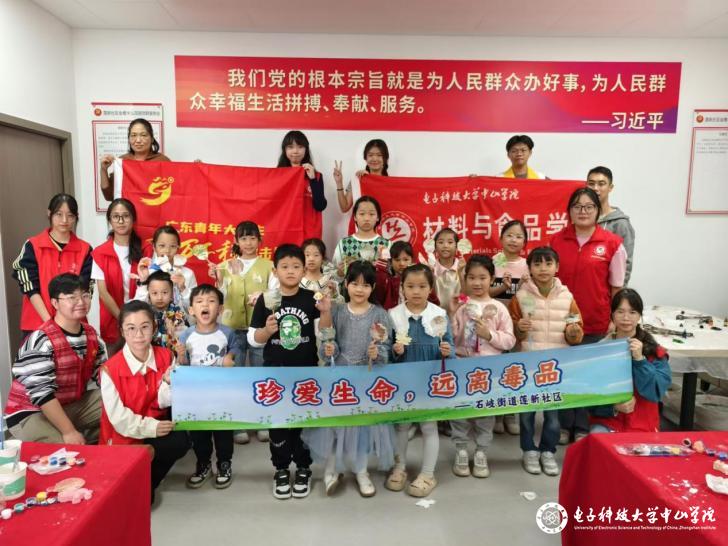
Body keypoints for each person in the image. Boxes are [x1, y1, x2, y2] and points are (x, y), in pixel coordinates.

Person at [247, 244, 332, 499]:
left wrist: (326, 312)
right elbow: (253, 340)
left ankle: (304, 467)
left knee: (304, 422)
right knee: (279, 422)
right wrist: (267, 331)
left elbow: (323, 333)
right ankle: (281, 468)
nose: (291, 271)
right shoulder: (266, 300)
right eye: (284, 267)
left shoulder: (311, 298)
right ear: (275, 271)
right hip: (276, 373)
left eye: (296, 266)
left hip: (306, 372)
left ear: (304, 270)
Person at [303, 261, 395, 497]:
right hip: (340, 380)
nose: (359, 289)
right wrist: (330, 349)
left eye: (365, 285)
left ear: (373, 288)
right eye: (354, 283)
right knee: (335, 426)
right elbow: (327, 340)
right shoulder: (337, 311)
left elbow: (386, 349)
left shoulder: (380, 315)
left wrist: (377, 353)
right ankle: (331, 470)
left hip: (366, 380)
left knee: (362, 428)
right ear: (346, 285)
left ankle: (361, 471)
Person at [549, 187, 627, 444]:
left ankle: (583, 425)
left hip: (595, 320)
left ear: (597, 210)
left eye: (589, 206)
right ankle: (563, 425)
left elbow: (616, 287)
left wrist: (614, 319)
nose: (583, 211)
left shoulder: (612, 243)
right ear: (569, 211)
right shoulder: (556, 241)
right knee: (563, 373)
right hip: (560, 320)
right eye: (577, 206)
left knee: (587, 375)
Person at [99, 300, 189, 503]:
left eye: (145, 327)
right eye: (131, 328)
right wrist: (152, 428)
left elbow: (164, 401)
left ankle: (150, 473)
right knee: (129, 501)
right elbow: (119, 419)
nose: (138, 335)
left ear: (154, 328)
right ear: (122, 331)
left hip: (154, 429)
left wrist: (170, 382)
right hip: (124, 436)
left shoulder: (166, 355)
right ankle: (140, 464)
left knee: (180, 441)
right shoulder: (110, 370)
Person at [508, 247, 584, 476]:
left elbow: (576, 331)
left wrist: (573, 332)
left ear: (557, 267)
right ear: (529, 268)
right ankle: (529, 450)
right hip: (528, 365)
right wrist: (519, 328)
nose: (543, 269)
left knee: (552, 415)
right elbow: (511, 332)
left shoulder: (567, 297)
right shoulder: (521, 297)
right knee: (527, 412)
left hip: (555, 367)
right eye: (537, 264)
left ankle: (548, 450)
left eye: (548, 264)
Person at [4, 273, 105, 443]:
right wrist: (69, 432)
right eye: (72, 297)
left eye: (85, 295)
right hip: (31, 412)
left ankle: (84, 440)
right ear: (55, 303)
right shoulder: (41, 340)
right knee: (66, 451)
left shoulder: (91, 335)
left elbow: (103, 375)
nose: (81, 302)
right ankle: (72, 437)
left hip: (68, 405)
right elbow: (42, 395)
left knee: (120, 405)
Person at [386, 264, 453, 498]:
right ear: (402, 288)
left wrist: (447, 352)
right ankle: (399, 467)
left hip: (430, 380)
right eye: (410, 286)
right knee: (402, 425)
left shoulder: (439, 314)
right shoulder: (394, 315)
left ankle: (427, 474)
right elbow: (387, 351)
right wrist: (395, 351)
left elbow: (450, 347)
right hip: (404, 379)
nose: (416, 291)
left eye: (422, 286)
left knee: (428, 425)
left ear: (430, 288)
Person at [209, 220, 277, 444]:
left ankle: (263, 421)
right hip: (232, 327)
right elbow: (219, 296)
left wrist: (262, 296)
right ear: (236, 241)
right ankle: (237, 423)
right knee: (235, 376)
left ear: (259, 240)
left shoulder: (269, 266)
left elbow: (276, 294)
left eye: (252, 238)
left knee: (261, 374)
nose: (248, 243)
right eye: (244, 238)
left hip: (259, 329)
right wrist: (218, 280)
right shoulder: (225, 265)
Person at [449, 255, 516, 478]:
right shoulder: (461, 307)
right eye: (472, 278)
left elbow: (510, 340)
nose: (477, 283)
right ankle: (460, 449)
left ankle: (481, 451)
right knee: (459, 410)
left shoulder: (499, 308)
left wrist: (489, 335)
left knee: (485, 413)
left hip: (488, 370)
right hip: (462, 367)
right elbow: (450, 337)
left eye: (482, 278)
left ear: (492, 278)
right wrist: (451, 313)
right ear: (465, 279)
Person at [176, 285, 241, 489]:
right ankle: (203, 464)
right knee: (199, 434)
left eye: (211, 301)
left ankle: (224, 464)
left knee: (223, 433)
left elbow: (236, 348)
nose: (206, 305)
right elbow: (184, 365)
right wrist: (180, 357)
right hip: (196, 396)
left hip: (223, 394)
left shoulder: (227, 333)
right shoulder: (186, 336)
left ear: (220, 309)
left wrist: (230, 356)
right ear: (191, 310)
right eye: (199, 302)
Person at [590, 289, 671, 433]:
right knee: (597, 436)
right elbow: (588, 397)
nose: (626, 318)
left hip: (643, 426)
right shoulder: (600, 351)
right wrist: (613, 408)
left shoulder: (654, 352)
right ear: (612, 315)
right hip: (608, 423)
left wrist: (640, 360)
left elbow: (655, 392)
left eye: (632, 312)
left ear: (639, 315)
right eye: (620, 312)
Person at [12, 194, 93, 336]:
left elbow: (86, 289)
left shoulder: (85, 249)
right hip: (37, 324)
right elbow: (29, 287)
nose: (64, 220)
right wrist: (50, 323)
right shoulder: (33, 245)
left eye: (70, 215)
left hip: (73, 324)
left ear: (76, 217)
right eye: (59, 214)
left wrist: (65, 324)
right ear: (49, 213)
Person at [488, 220, 529, 435]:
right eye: (509, 235)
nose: (514, 240)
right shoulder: (493, 262)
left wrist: (522, 286)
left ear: (525, 241)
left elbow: (528, 298)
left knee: (514, 368)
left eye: (519, 236)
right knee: (495, 368)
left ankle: (511, 413)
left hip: (516, 323)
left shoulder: (527, 265)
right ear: (501, 238)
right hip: (493, 324)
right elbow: (483, 290)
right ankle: (496, 413)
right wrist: (502, 287)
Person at [92, 198, 146, 348]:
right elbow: (103, 293)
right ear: (110, 220)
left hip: (142, 321)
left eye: (126, 216)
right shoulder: (100, 253)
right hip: (113, 321)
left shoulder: (146, 249)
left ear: (133, 219)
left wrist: (135, 320)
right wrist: (124, 320)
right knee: (114, 361)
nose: (121, 221)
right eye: (116, 216)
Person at [99, 118, 170, 201]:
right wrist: (103, 169)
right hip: (128, 209)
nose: (138, 140)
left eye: (143, 135)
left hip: (154, 207)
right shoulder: (123, 161)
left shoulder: (162, 161)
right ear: (129, 139)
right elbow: (109, 196)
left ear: (152, 139)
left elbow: (172, 193)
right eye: (133, 135)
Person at [586, 166, 636, 285]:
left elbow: (625, 266)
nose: (595, 188)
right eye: (591, 184)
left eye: (601, 184)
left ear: (610, 188)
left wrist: (617, 293)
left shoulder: (620, 223)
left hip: (606, 291)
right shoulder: (581, 218)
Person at [277, 130, 327, 239]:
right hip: (285, 229)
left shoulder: (316, 176)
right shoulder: (277, 175)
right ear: (284, 150)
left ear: (306, 150)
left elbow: (320, 206)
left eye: (300, 147)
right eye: (290, 147)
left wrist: (313, 180)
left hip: (309, 231)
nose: (295, 151)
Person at [135, 225, 197, 311]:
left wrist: (183, 289)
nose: (167, 250)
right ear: (154, 246)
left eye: (172, 246)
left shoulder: (187, 274)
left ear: (178, 247)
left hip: (181, 319)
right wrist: (143, 281)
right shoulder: (147, 272)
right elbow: (137, 307)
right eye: (162, 245)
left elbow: (194, 308)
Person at [332, 196, 389, 277]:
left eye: (371, 214)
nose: (366, 218)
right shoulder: (344, 244)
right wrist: (339, 273)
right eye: (362, 214)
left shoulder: (386, 244)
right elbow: (333, 274)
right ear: (355, 217)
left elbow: (392, 273)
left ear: (378, 217)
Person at [334, 138, 390, 214]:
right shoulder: (357, 180)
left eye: (379, 155)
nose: (374, 159)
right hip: (361, 222)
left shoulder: (391, 184)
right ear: (365, 158)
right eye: (370, 155)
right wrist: (339, 183)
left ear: (385, 158)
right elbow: (344, 208)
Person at [142, 271, 188, 349]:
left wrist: (172, 333)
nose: (160, 297)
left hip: (174, 353)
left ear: (172, 293)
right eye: (155, 293)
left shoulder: (177, 312)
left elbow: (183, 339)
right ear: (149, 293)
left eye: (164, 292)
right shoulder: (145, 313)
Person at [431, 228, 465, 311]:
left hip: (459, 314)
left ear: (457, 247)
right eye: (441, 242)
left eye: (450, 242)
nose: (445, 246)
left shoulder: (464, 268)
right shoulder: (431, 268)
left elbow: (467, 295)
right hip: (435, 314)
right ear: (434, 247)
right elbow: (428, 295)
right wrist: (430, 275)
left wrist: (461, 273)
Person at [300, 238, 342, 302]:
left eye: (316, 255)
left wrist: (334, 294)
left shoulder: (330, 281)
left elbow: (339, 304)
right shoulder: (296, 281)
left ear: (322, 258)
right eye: (307, 255)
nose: (311, 259)